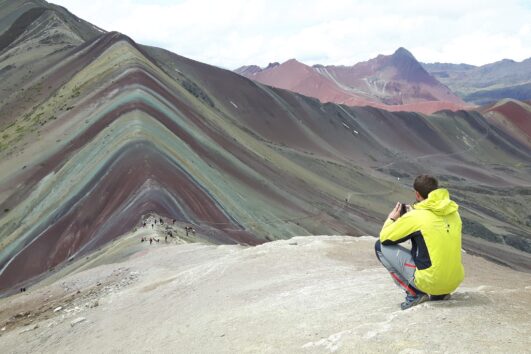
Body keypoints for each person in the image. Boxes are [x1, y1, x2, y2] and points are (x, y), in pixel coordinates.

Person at [375, 175, 464, 310]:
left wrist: (392, 219)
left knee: (379, 247)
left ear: (417, 194)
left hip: (431, 281)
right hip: (453, 282)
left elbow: (385, 237)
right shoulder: (453, 212)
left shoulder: (416, 217)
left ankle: (414, 293)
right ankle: (440, 294)